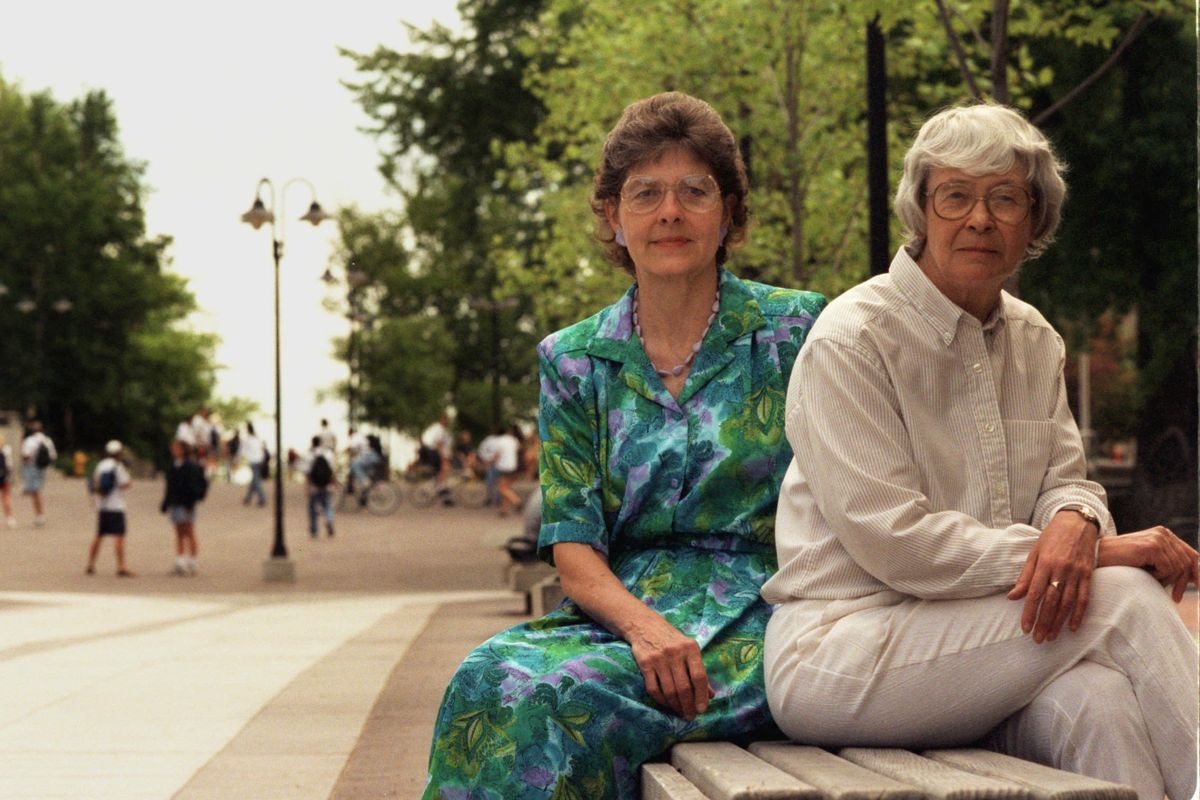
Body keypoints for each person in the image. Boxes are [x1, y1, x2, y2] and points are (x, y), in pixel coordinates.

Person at [761, 103, 1198, 800]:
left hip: (984, 646)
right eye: (956, 196)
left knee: (1101, 704)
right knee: (1126, 599)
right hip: (843, 650)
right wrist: (1100, 553)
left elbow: (1068, 484)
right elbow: (896, 544)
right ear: (922, 211)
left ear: (1035, 220)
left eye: (1005, 199)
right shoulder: (853, 339)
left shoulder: (1035, 340)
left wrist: (1080, 523)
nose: (980, 218)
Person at [422, 91, 825, 799]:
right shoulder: (573, 358)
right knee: (482, 678)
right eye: (646, 194)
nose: (670, 212)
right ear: (613, 214)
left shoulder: (800, 331)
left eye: (694, 191)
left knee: (562, 703)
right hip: (618, 613)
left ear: (728, 210)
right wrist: (643, 628)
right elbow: (574, 546)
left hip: (761, 613)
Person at [85, 440, 134, 576]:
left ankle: (90, 563)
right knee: (119, 536)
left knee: (99, 535)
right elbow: (126, 483)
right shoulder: (118, 466)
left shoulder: (100, 465)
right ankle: (121, 566)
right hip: (116, 506)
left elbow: (94, 484)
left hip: (103, 506)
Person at [160, 439, 208, 576]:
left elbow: (194, 486)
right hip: (175, 502)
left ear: (182, 450)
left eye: (176, 447)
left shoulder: (190, 466)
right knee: (179, 532)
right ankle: (180, 561)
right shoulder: (175, 465)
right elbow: (170, 486)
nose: (173, 450)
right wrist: (166, 502)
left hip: (186, 503)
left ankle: (193, 561)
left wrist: (190, 502)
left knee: (189, 532)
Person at [20, 420, 57, 527]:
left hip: (32, 467)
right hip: (43, 467)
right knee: (37, 490)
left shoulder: (30, 441)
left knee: (36, 492)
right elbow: (53, 456)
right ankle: (39, 514)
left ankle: (40, 515)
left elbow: (25, 455)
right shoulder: (47, 440)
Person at [303, 435, 337, 538]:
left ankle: (314, 530)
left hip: (314, 485)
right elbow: (333, 471)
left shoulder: (309, 455)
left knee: (312, 507)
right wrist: (333, 484)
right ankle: (329, 519)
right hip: (326, 484)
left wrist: (306, 487)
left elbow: (307, 473)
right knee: (327, 505)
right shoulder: (328, 454)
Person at [493, 424, 522, 517]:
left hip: (504, 467)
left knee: (502, 488)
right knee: (507, 488)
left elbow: (497, 455)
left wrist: (491, 463)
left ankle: (517, 501)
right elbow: (518, 449)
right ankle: (504, 511)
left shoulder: (499, 441)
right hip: (513, 466)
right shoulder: (514, 440)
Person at [417, 412, 451, 486]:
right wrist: (443, 457)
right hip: (432, 451)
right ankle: (440, 485)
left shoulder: (434, 427)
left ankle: (435, 482)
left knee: (435, 469)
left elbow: (422, 438)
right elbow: (438, 444)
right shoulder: (440, 430)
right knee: (444, 466)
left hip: (426, 450)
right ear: (443, 420)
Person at [240, 422, 267, 507]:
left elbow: (242, 451)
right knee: (254, 480)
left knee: (256, 480)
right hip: (260, 460)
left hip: (253, 461)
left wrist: (237, 459)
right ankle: (248, 498)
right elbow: (262, 448)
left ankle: (262, 498)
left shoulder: (247, 439)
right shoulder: (257, 438)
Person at [0, 434, 15, 528]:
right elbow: (9, 465)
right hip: (3, 476)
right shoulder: (7, 450)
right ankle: (9, 518)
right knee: (6, 496)